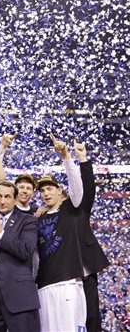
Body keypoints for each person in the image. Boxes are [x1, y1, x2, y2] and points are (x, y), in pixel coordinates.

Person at [35, 135, 87, 331]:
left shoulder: (70, 209)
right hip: (44, 285)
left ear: (59, 190)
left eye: (49, 189)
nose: (46, 193)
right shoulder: (38, 217)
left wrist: (66, 156)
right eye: (42, 191)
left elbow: (77, 186)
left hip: (68, 284)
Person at [0, 181, 40, 331]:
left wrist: (0, 232)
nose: (2, 201)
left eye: (7, 196)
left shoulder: (27, 221)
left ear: (15, 199)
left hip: (20, 297)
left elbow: (26, 251)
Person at [75, 142, 110, 332]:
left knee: (92, 320)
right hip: (63, 281)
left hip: (85, 276)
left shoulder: (78, 213)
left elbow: (88, 190)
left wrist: (82, 159)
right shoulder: (49, 217)